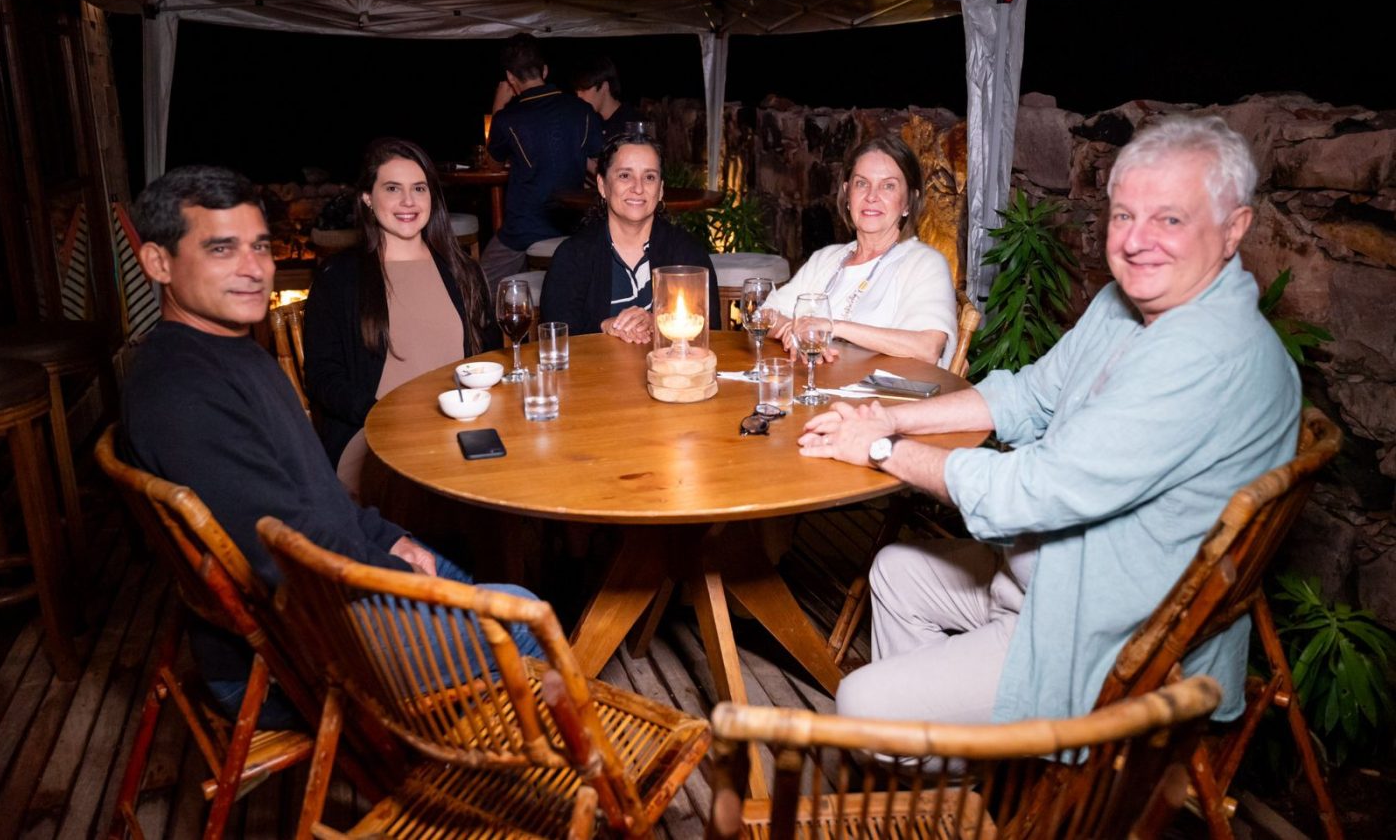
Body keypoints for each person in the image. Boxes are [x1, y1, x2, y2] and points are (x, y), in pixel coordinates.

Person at [800, 115, 1300, 726]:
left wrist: (880, 452)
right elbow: (1027, 395)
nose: (1139, 240)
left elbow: (1030, 490)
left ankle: (967, 764)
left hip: (1097, 636)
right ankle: (954, 771)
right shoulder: (1128, 306)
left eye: (1170, 218)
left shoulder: (1205, 355)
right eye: (1124, 216)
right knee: (896, 573)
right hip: (1044, 577)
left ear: (1233, 229)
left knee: (860, 700)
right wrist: (894, 422)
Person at [122, 164, 541, 726]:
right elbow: (284, 548)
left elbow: (311, 493)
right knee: (526, 620)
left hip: (333, 592)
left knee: (503, 591)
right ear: (158, 262)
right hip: (294, 650)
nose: (255, 270)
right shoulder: (180, 390)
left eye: (261, 246)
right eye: (223, 250)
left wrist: (388, 538)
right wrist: (388, 567)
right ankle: (547, 797)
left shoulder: (232, 352)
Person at [303, 138, 498, 493]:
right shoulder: (340, 279)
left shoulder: (462, 271)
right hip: (375, 435)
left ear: (432, 197)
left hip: (461, 431)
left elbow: (491, 355)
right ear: (367, 198)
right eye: (393, 188)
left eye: (419, 189)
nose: (408, 201)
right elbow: (323, 376)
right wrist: (383, 416)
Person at [766, 135, 957, 367]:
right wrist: (794, 328)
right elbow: (765, 314)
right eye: (862, 183)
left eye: (888, 186)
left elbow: (928, 348)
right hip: (820, 391)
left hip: (884, 401)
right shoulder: (826, 259)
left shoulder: (925, 263)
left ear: (909, 201)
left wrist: (832, 326)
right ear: (847, 194)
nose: (871, 196)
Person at [540, 133, 719, 342]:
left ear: (660, 190)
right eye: (625, 175)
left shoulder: (687, 254)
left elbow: (712, 331)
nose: (638, 187)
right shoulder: (573, 256)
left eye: (649, 177)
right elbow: (554, 336)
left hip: (669, 373)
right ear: (602, 185)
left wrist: (660, 323)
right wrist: (604, 326)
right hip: (595, 373)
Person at [482, 34, 604, 288]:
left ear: (510, 78)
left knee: (477, 286)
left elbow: (492, 165)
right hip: (572, 227)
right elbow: (597, 163)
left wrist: (498, 104)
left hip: (523, 230)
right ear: (545, 70)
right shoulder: (582, 111)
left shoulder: (508, 118)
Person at [573, 55, 643, 142]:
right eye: (577, 91)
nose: (579, 96)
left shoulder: (633, 125)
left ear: (604, 86)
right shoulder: (590, 123)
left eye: (584, 90)